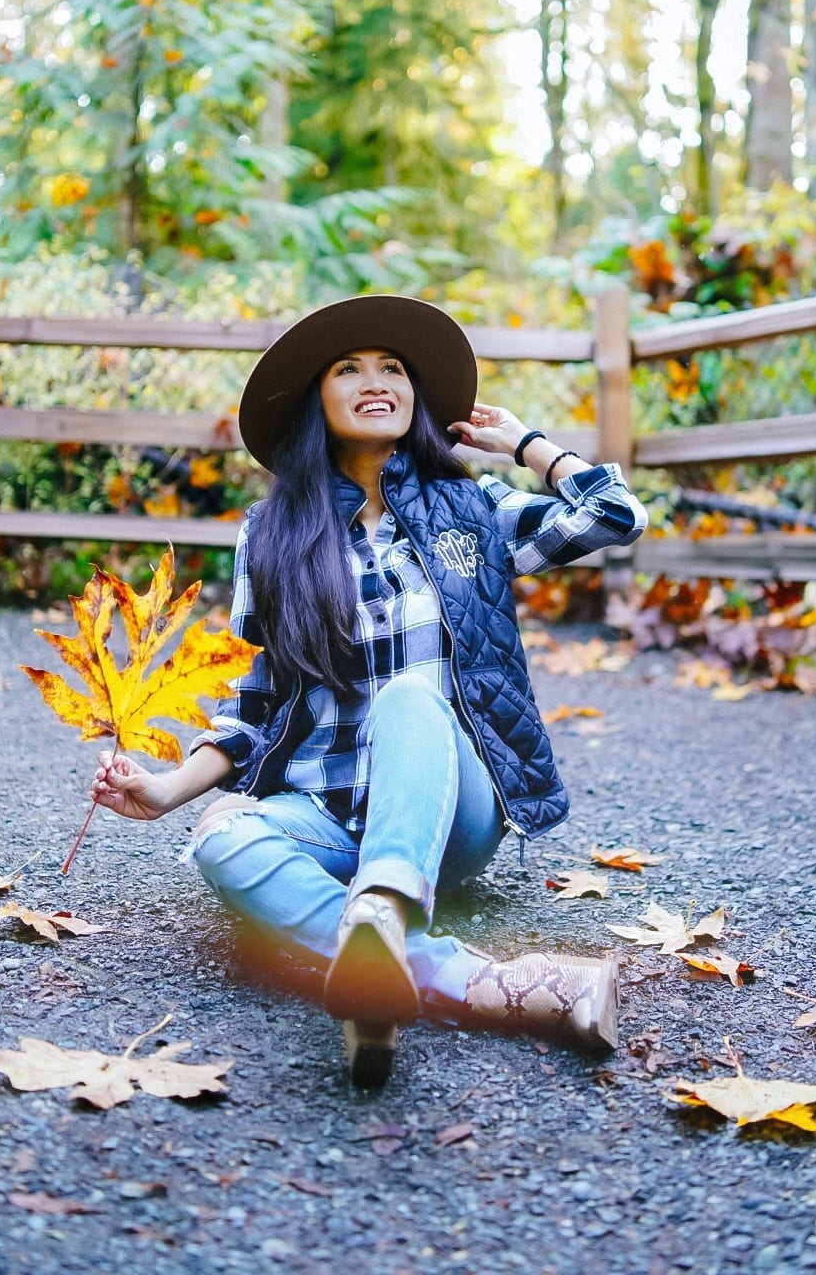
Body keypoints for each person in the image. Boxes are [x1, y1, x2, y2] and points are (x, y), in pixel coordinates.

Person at [90, 295, 647, 1085]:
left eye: (393, 367)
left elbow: (615, 515)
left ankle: (384, 909)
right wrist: (169, 788)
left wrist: (526, 444)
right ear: (317, 398)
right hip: (328, 813)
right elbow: (263, 698)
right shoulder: (270, 532)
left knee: (408, 698)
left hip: (449, 814)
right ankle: (451, 979)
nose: (374, 379)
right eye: (348, 368)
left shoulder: (472, 510)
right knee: (221, 834)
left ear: (416, 394)